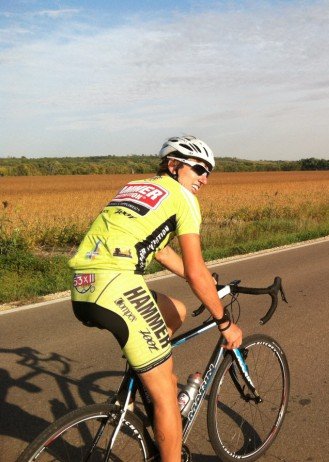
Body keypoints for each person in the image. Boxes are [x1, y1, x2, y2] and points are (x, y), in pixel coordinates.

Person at [68, 135, 242, 462]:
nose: (204, 177)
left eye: (210, 172)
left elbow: (159, 250)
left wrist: (203, 278)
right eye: (199, 168)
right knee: (166, 396)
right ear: (174, 165)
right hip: (117, 284)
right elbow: (194, 265)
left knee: (175, 310)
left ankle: (137, 380)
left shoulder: (136, 186)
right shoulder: (184, 199)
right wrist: (224, 322)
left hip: (83, 285)